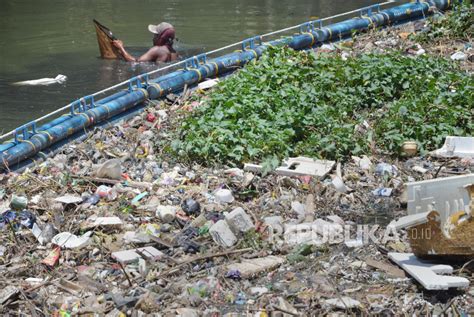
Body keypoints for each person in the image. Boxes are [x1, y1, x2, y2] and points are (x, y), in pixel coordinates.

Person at [113, 22, 178, 63]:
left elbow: (134, 62)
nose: (153, 38)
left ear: (160, 37)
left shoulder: (156, 50)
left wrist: (121, 48)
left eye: (155, 35)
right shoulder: (174, 52)